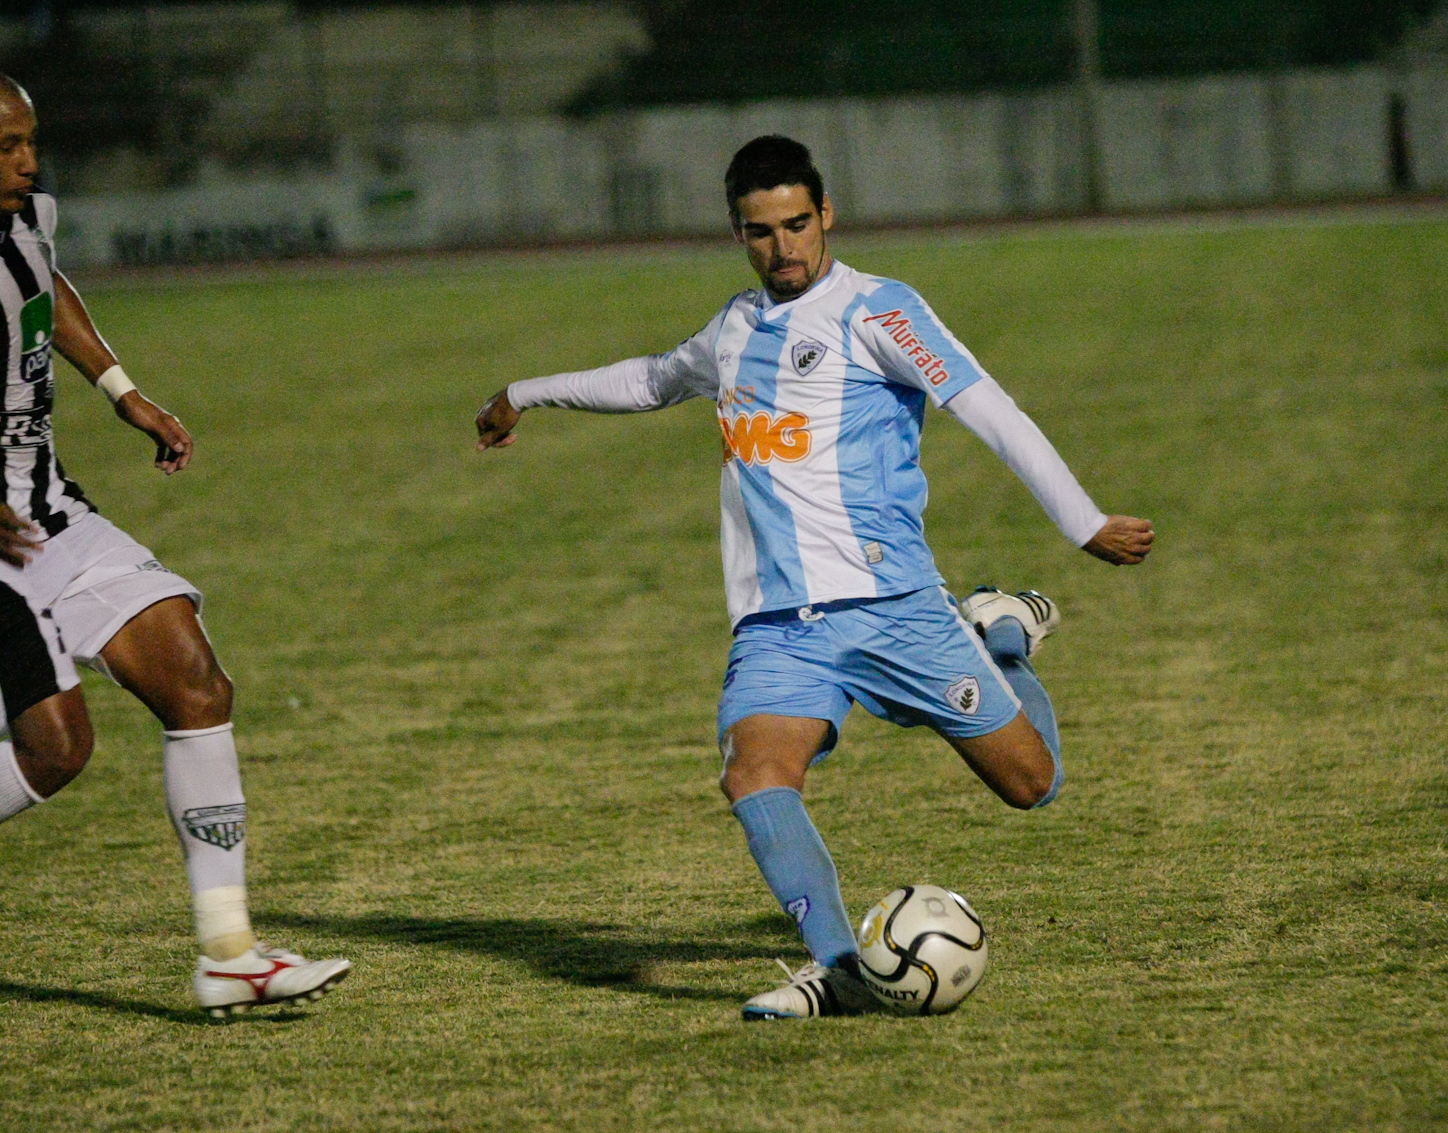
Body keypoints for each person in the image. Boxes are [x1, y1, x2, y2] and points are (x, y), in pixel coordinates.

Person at [474, 135, 1153, 1020]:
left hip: (895, 607)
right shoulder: (733, 330)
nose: (783, 247)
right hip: (778, 626)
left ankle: (1005, 634)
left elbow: (985, 405)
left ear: (826, 214)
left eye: (798, 224)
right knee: (755, 772)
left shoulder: (880, 311)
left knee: (1033, 783)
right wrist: (523, 391)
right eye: (761, 232)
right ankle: (838, 967)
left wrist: (1082, 520)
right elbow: (648, 379)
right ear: (738, 233)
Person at [0, 67, 350, 1017]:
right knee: (57, 751)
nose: (29, 163)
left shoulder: (22, 213)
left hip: (51, 507)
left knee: (196, 678)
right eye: (6, 148)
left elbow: (44, 280)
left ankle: (229, 950)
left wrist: (123, 392)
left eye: (32, 141)